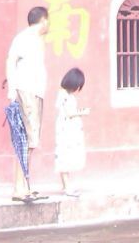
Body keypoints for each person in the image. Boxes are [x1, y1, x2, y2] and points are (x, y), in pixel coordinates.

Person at [5, 6, 50, 202]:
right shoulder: (24, 38)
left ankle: (25, 185)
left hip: (35, 93)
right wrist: (12, 90)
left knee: (31, 141)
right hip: (27, 92)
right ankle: (18, 187)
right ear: (43, 20)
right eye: (48, 21)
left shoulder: (37, 40)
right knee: (26, 141)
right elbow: (11, 62)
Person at [52, 67, 88, 197]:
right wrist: (82, 113)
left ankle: (65, 185)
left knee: (64, 156)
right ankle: (67, 187)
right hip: (66, 130)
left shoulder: (63, 94)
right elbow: (69, 113)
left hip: (65, 128)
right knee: (65, 156)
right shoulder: (65, 96)